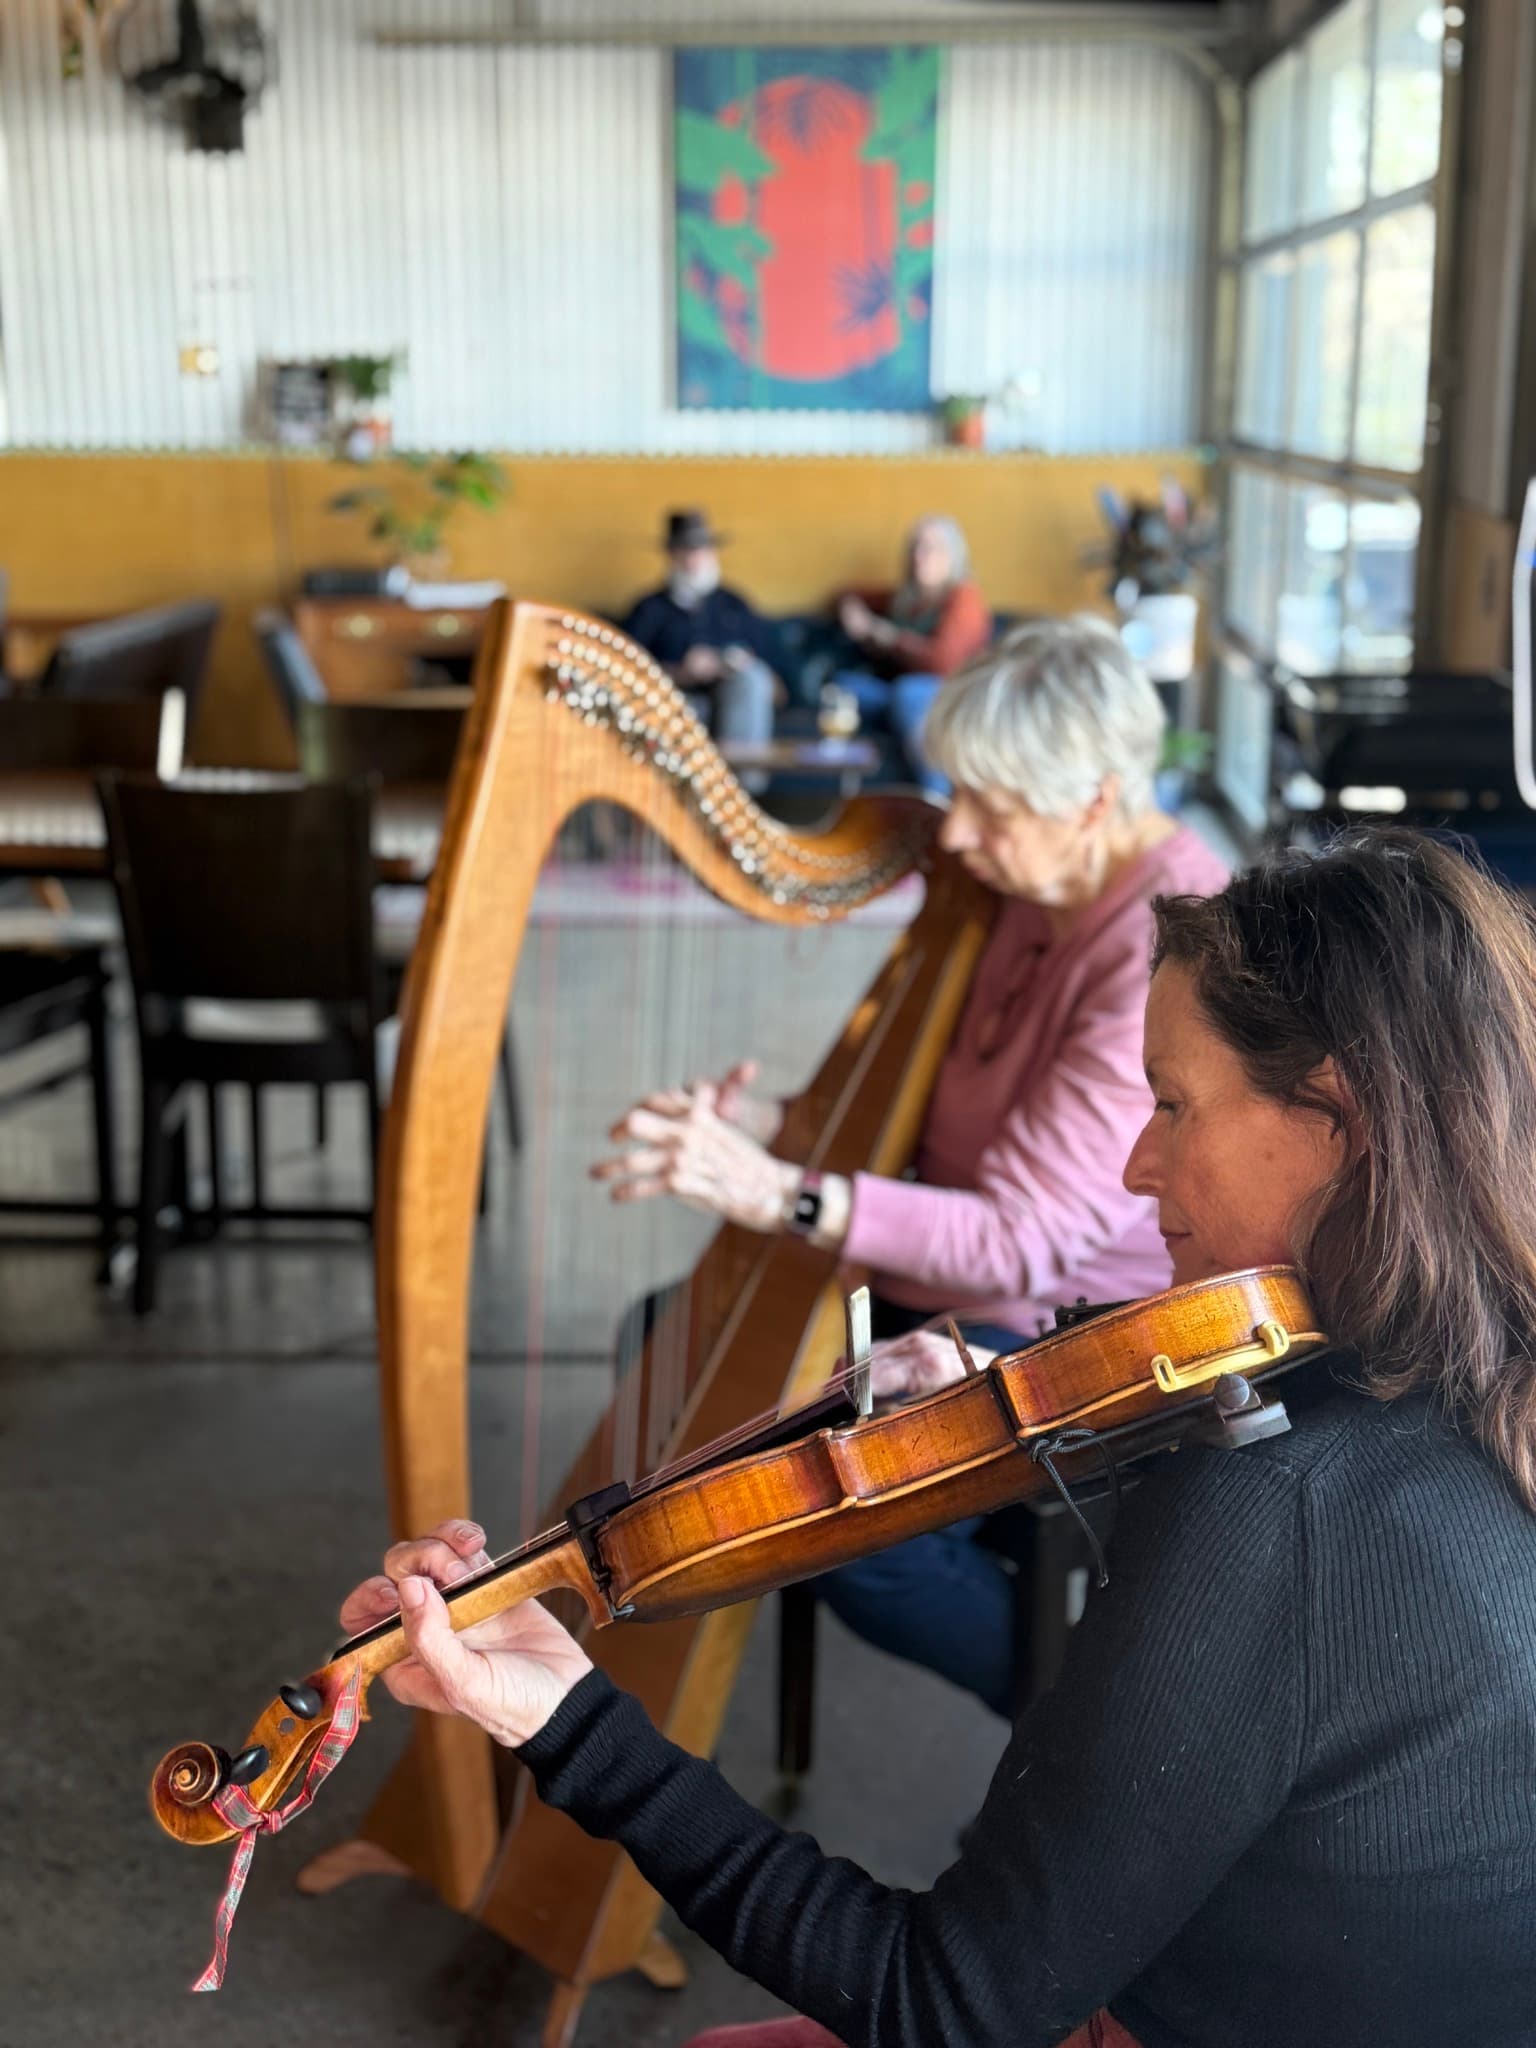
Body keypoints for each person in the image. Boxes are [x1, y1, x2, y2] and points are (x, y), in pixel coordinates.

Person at [346, 827, 1536, 2048]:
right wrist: (1030, 1384)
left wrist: (565, 1720)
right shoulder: (1480, 1377)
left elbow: (939, 2002)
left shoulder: (1275, 1511)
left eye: (1173, 1103)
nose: (1139, 1163)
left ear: (1337, 1111)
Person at [592, 614, 1228, 1713]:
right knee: (665, 1338)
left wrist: (771, 1191)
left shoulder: (1158, 951)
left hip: (1070, 1325)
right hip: (950, 1284)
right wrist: (774, 1123)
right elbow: (938, 1104)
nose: (957, 832)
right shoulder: (1032, 885)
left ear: (1092, 801)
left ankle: (1094, 1718)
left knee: (843, 1521)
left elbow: (1021, 1241)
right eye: (955, 792)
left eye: (990, 804)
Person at [833, 515, 992, 793]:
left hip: (949, 692)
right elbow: (846, 594)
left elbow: (942, 663)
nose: (920, 556)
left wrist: (891, 638)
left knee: (910, 693)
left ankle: (935, 797)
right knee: (844, 687)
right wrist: (853, 613)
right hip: (897, 691)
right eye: (915, 548)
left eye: (931, 548)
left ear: (952, 555)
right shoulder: (907, 599)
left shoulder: (964, 598)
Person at [622, 510, 784, 763]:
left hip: (735, 702)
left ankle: (738, 783)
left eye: (701, 549)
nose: (693, 558)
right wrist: (681, 672)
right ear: (671, 555)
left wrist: (730, 664)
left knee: (751, 679)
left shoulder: (735, 605)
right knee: (686, 705)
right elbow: (624, 673)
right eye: (685, 550)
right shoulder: (649, 609)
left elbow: (776, 685)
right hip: (676, 700)